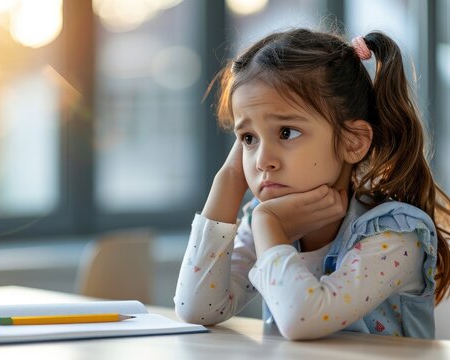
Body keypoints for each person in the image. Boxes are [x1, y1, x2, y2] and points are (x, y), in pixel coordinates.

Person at [174, 28, 450, 340]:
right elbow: (197, 308)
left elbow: (301, 319)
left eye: (286, 132)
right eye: (248, 138)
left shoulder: (394, 234)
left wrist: (269, 224)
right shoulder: (265, 220)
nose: (263, 160)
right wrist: (228, 180)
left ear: (353, 142)